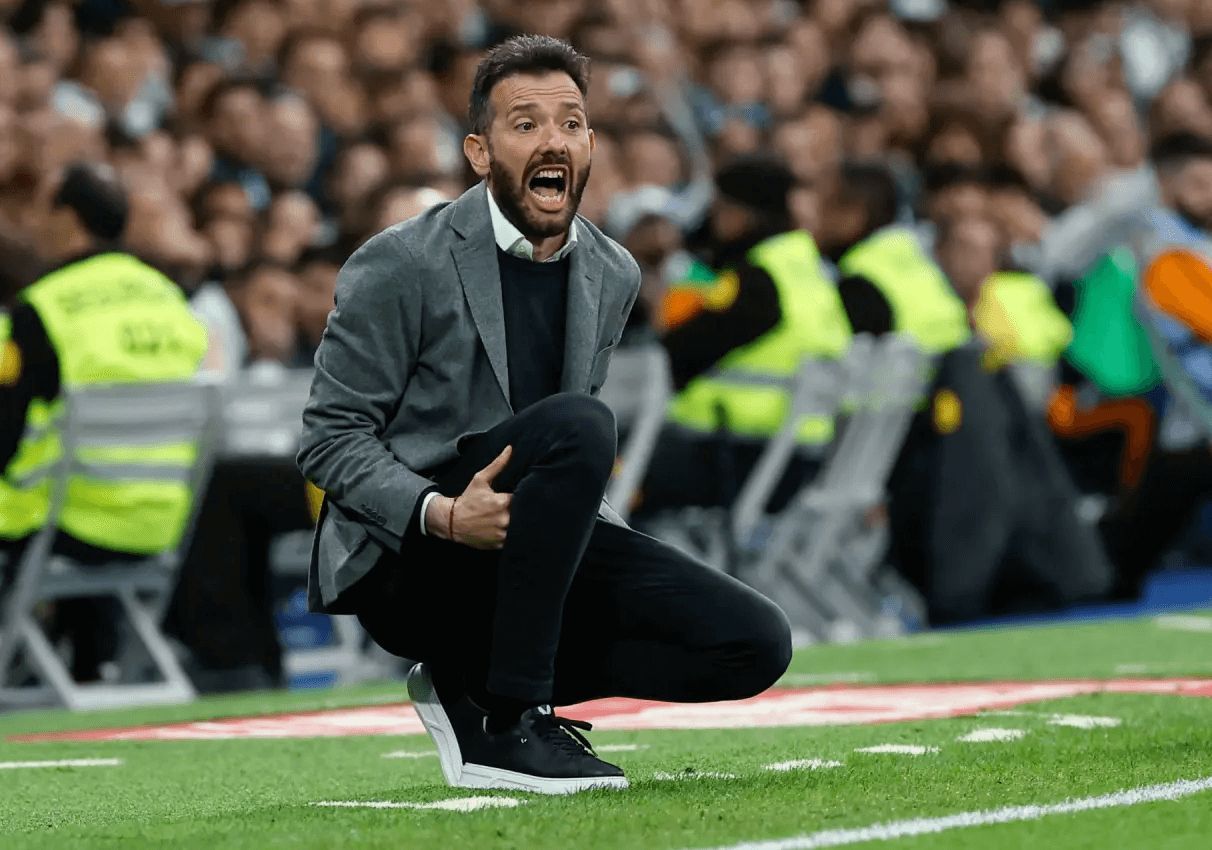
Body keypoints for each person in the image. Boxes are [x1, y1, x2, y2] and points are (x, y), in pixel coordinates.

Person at [297, 35, 792, 795]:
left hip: (526, 546)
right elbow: (329, 440)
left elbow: (562, 451)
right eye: (525, 124)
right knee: (582, 426)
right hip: (415, 559)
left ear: (591, 143)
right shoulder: (399, 261)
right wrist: (442, 514)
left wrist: (601, 556)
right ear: (479, 151)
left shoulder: (612, 270)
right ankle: (510, 716)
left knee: (754, 644)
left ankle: (471, 681)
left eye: (569, 122)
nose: (552, 139)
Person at [0, 162, 208, 681]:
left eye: (43, 209)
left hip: (67, 521)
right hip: (162, 518)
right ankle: (90, 663)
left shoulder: (41, 310)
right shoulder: (171, 298)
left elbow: (4, 434)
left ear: (68, 219)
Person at [641, 154, 851, 514]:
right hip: (797, 457)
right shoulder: (805, 269)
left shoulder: (758, 281)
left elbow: (678, 351)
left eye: (719, 210)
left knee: (602, 464)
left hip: (736, 456)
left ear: (740, 214)